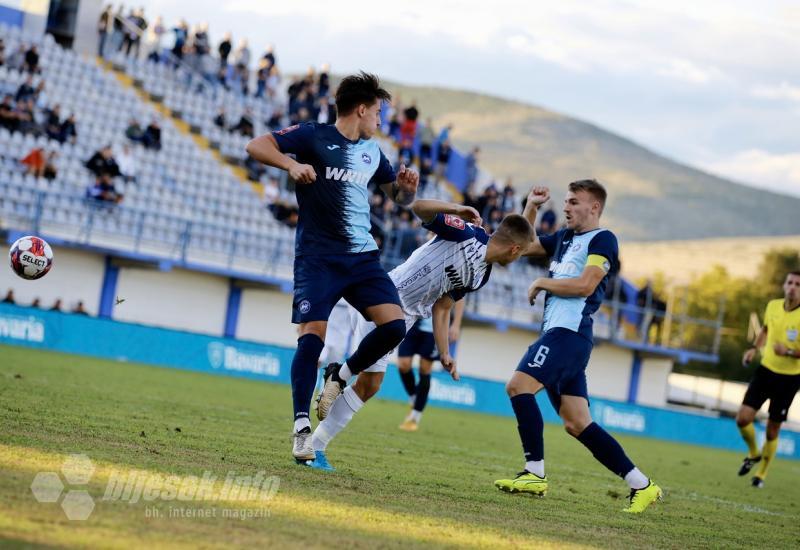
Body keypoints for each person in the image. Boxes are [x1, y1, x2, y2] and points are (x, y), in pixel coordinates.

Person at [245, 72, 419, 463]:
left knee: (394, 325)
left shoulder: (373, 153)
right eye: (377, 112)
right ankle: (302, 429)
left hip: (361, 258)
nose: (380, 120)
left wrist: (407, 188)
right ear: (361, 109)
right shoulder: (311, 135)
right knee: (312, 337)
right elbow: (256, 145)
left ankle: (340, 376)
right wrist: (289, 165)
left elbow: (400, 198)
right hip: (318, 258)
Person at [307, 196, 538, 470]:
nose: (519, 258)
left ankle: (315, 441)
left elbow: (443, 306)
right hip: (385, 297)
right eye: (521, 254)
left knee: (370, 385)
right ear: (514, 250)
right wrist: (455, 209)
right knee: (370, 379)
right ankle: (333, 393)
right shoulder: (465, 233)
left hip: (406, 318)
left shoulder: (480, 276)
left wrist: (444, 352)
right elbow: (418, 208)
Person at [494, 179, 662, 514]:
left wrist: (543, 281)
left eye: (573, 202)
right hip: (560, 335)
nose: (566, 207)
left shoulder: (603, 239)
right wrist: (532, 207)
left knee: (518, 386)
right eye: (566, 201)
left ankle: (534, 473)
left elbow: (586, 284)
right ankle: (642, 485)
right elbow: (520, 247)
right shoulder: (564, 238)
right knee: (577, 423)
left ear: (594, 207)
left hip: (569, 335)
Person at [736, 271, 800, 488]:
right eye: (790, 282)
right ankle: (754, 453)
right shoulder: (773, 306)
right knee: (743, 418)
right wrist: (754, 348)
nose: (793, 287)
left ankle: (761, 475)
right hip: (766, 371)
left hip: (790, 378)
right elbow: (765, 330)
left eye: (798, 284)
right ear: (784, 285)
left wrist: (789, 352)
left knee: (773, 429)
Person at [397, 298, 465, 431]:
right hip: (414, 320)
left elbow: (460, 297)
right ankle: (414, 398)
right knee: (403, 364)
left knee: (425, 367)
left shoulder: (455, 277)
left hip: (434, 328)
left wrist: (456, 324)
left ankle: (414, 417)